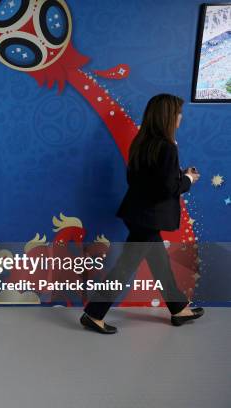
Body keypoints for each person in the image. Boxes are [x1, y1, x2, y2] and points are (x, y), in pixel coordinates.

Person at [80, 93, 204, 335]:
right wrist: (187, 179)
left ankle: (178, 308)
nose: (181, 117)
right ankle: (94, 314)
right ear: (168, 117)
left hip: (137, 212)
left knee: (160, 264)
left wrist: (177, 173)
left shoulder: (142, 141)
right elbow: (167, 188)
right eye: (178, 113)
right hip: (149, 217)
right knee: (126, 267)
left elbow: (142, 180)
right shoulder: (167, 147)